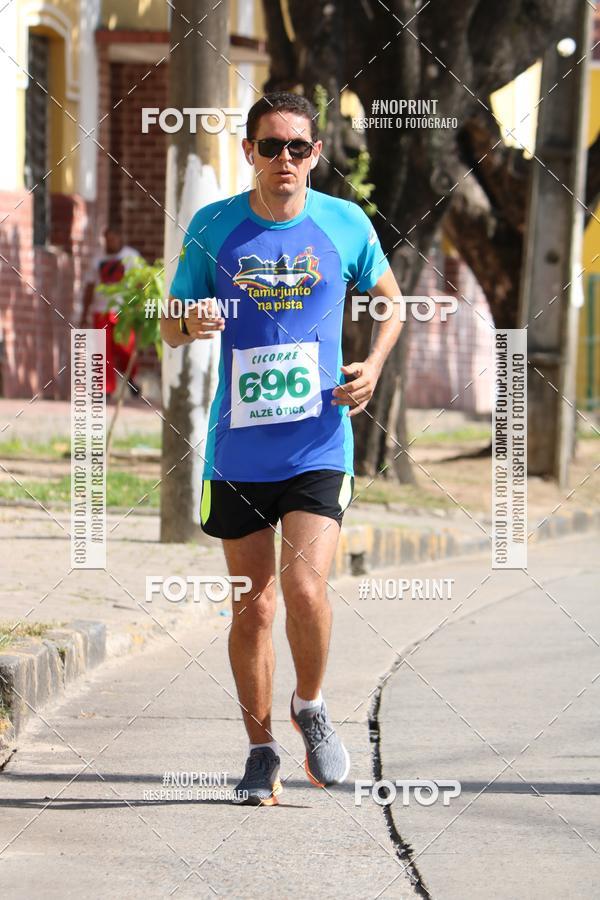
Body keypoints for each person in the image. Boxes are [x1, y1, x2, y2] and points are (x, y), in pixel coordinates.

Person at [161, 92, 404, 805]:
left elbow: (389, 298)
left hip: (319, 443)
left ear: (316, 154)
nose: (285, 160)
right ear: (249, 153)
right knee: (254, 607)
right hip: (239, 450)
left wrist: (376, 364)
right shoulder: (214, 227)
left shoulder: (345, 222)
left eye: (298, 147)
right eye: (271, 147)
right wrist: (190, 320)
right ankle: (261, 749)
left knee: (303, 588)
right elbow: (169, 325)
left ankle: (313, 704)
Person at [81, 225, 141, 397]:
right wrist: (84, 314)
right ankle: (105, 389)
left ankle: (130, 377)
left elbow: (140, 283)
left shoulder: (131, 257)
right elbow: (89, 287)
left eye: (113, 239)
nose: (110, 243)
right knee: (102, 350)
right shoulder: (97, 258)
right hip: (101, 310)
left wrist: (139, 307)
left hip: (124, 310)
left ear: (120, 238)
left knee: (125, 347)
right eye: (107, 239)